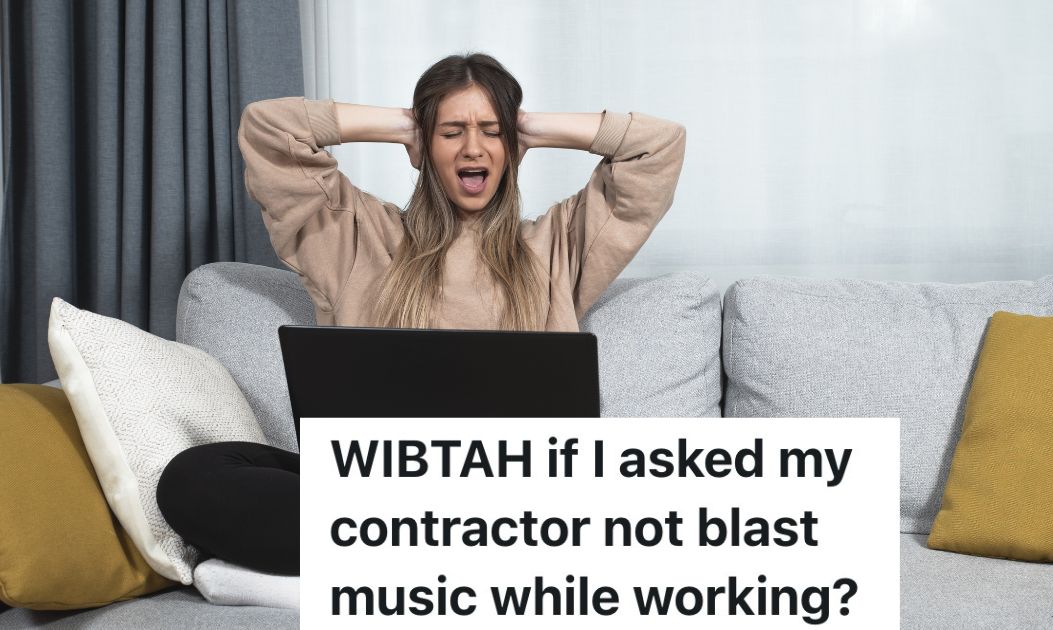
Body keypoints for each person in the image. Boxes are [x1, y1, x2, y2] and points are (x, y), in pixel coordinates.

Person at [156, 52, 686, 576]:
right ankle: (425, 552)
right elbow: (269, 130)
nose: (473, 147)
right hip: (375, 489)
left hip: (508, 498)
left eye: (491, 132)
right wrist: (404, 124)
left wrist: (527, 126)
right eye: (451, 132)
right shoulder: (354, 235)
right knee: (193, 476)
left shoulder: (557, 247)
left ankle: (407, 552)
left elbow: (657, 147)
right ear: (423, 148)